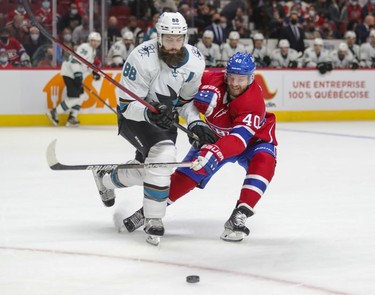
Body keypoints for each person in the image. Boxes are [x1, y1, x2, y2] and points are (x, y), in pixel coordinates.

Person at [121, 52, 278, 242]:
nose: (235, 83)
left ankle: (240, 214)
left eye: (241, 79)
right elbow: (182, 86)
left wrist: (215, 152)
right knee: (188, 175)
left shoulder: (254, 103)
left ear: (251, 78)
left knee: (265, 162)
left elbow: (239, 140)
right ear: (226, 74)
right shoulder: (212, 79)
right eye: (232, 77)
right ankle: (148, 212)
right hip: (217, 138)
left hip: (252, 142)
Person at [91, 12, 214, 244]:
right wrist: (149, 111)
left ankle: (106, 178)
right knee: (164, 156)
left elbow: (186, 103)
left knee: (153, 168)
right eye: (169, 39)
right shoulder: (141, 57)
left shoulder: (196, 61)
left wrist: (196, 122)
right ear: (158, 36)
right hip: (135, 119)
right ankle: (154, 219)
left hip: (165, 124)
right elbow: (126, 105)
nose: (174, 45)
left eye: (179, 39)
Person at [46, 32, 101, 127]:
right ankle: (54, 112)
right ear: (89, 41)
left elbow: (86, 64)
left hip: (74, 74)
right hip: (69, 73)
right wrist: (77, 74)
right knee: (75, 97)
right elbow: (75, 60)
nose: (95, 43)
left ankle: (72, 117)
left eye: (97, 41)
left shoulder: (93, 50)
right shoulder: (85, 47)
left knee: (82, 96)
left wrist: (94, 72)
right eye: (93, 41)